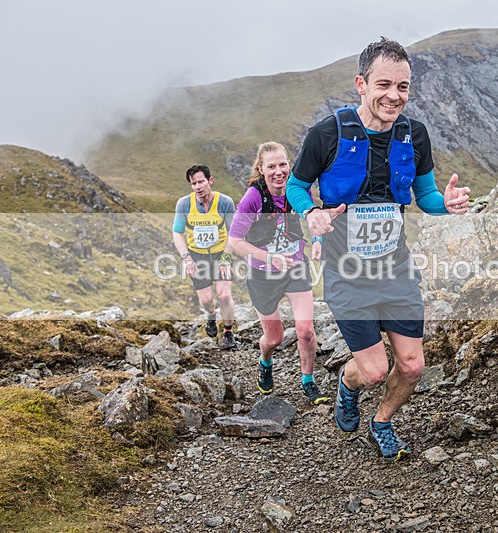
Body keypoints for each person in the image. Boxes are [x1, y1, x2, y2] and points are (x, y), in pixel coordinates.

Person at [286, 38, 470, 461]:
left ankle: (382, 421)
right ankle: (347, 386)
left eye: (403, 87)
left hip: (396, 271)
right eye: (384, 84)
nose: (394, 96)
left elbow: (425, 197)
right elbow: (296, 185)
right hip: (346, 272)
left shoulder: (414, 134)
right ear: (362, 84)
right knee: (372, 371)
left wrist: (448, 205)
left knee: (412, 366)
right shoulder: (327, 133)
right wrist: (311, 212)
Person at [226, 142, 329, 405]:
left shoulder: (296, 190)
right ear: (261, 169)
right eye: (271, 166)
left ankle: (308, 381)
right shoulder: (253, 198)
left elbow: (314, 217)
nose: (278, 171)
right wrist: (269, 257)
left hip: (295, 268)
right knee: (275, 338)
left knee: (305, 330)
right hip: (263, 274)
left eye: (283, 164)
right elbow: (234, 241)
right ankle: (265, 361)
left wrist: (317, 242)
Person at [173, 164, 237, 349]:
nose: (198, 187)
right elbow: (177, 233)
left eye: (201, 181)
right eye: (193, 183)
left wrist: (225, 258)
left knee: (224, 294)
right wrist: (187, 259)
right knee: (207, 300)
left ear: (210, 181)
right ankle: (210, 315)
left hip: (221, 252)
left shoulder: (225, 202)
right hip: (197, 255)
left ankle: (228, 332)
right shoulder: (184, 204)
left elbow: (233, 233)